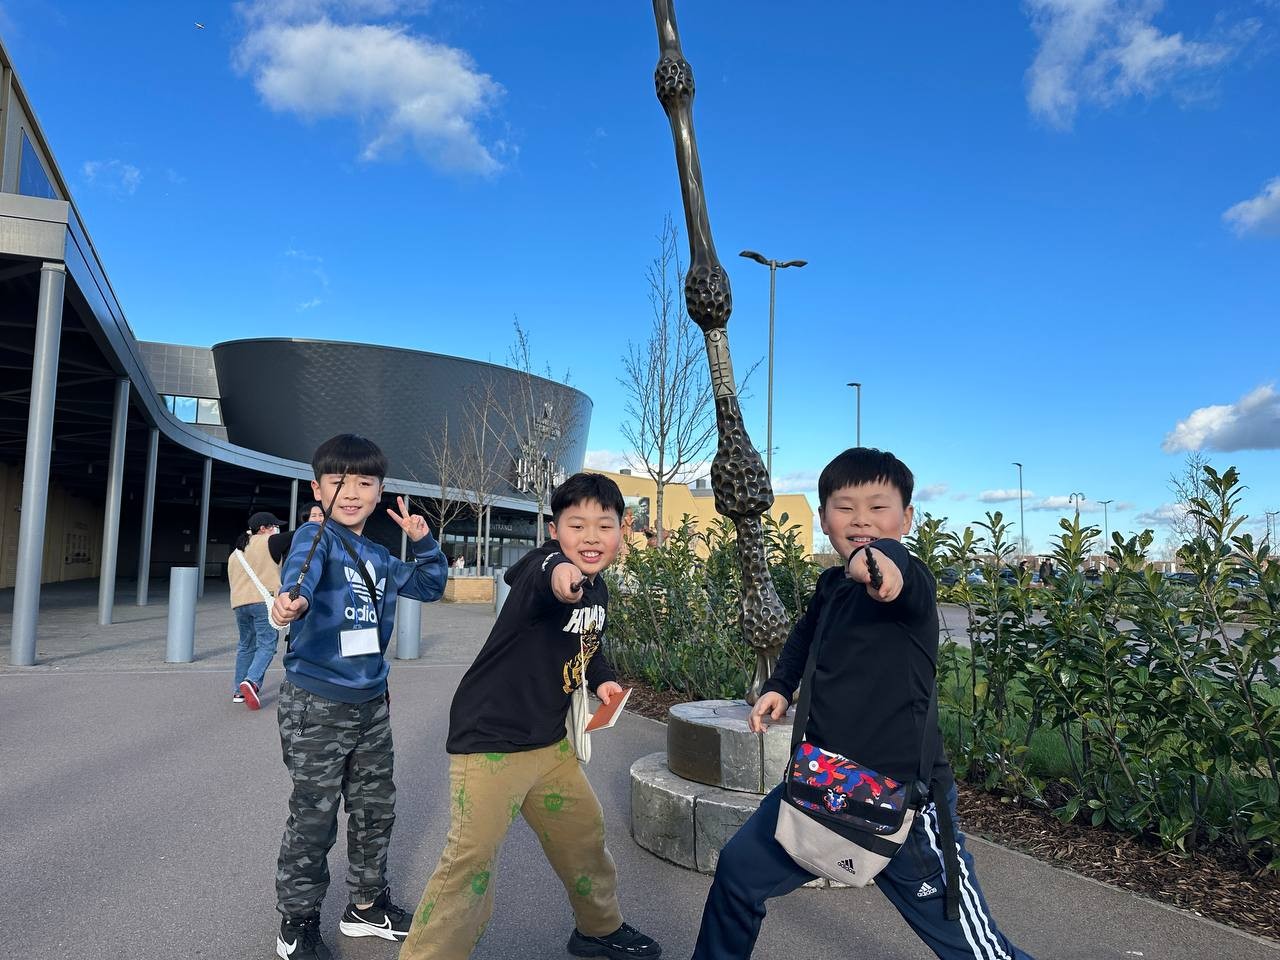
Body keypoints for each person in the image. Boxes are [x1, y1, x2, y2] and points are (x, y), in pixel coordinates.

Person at [691, 447, 1036, 960]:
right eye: (845, 508)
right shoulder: (830, 586)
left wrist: (877, 563)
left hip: (899, 798)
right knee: (738, 873)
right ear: (823, 516)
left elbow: (890, 568)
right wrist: (779, 686)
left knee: (973, 947)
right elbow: (803, 636)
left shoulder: (910, 580)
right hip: (822, 782)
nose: (861, 520)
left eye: (878, 507)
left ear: (907, 518)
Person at [398, 472, 661, 960]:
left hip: (550, 745)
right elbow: (550, 575)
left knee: (584, 837)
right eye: (576, 526)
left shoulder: (599, 590)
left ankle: (598, 930)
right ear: (554, 531)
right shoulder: (548, 567)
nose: (591, 537)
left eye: (604, 526)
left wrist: (601, 679)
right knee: (470, 864)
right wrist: (563, 576)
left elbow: (586, 642)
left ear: (622, 530)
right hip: (491, 742)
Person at [269, 434, 449, 960]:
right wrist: (290, 602)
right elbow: (299, 576)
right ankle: (297, 923)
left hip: (371, 702)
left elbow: (430, 586)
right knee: (315, 816)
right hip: (317, 704)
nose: (351, 493)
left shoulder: (378, 555)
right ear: (317, 489)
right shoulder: (315, 535)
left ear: (379, 491)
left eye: (364, 483)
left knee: (375, 809)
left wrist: (423, 541)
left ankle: (367, 907)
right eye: (339, 482)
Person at [228, 510, 286, 709]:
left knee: (246, 646)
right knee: (267, 644)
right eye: (274, 526)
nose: (277, 529)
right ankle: (251, 681)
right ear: (263, 528)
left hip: (240, 604)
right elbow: (297, 535)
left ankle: (239, 691)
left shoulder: (236, 552)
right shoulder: (269, 541)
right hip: (263, 602)